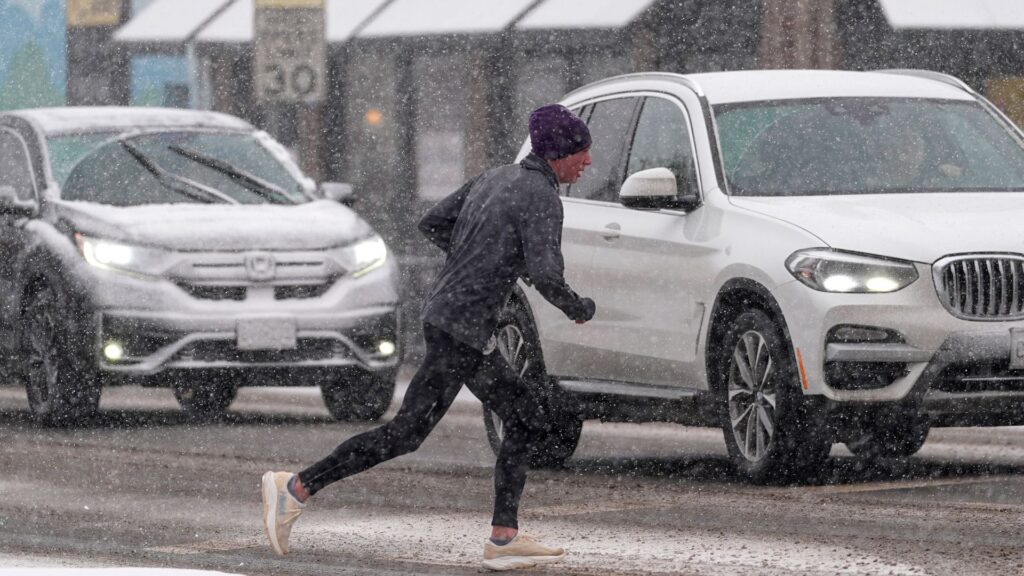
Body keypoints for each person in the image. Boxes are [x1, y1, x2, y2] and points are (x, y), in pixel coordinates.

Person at [261, 103, 596, 572]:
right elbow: (545, 274)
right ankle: (296, 487)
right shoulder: (541, 195)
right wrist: (579, 307)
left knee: (526, 415)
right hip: (461, 327)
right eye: (582, 152)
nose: (587, 162)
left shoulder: (494, 178)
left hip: (452, 318)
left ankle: (504, 537)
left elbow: (433, 222)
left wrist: (480, 264)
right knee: (408, 433)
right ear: (560, 152)